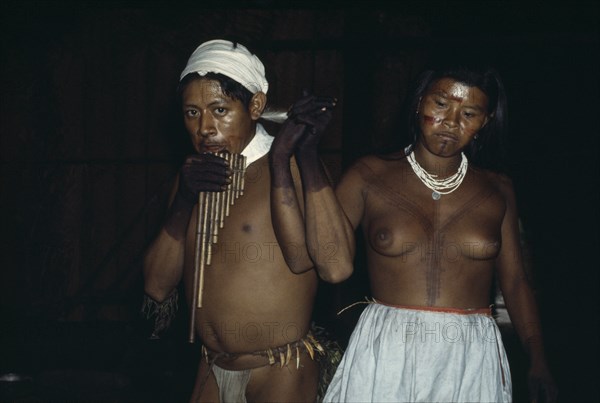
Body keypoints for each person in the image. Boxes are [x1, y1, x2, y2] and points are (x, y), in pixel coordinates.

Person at [276, 64, 558, 402]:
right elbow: (324, 260)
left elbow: (515, 282)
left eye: (469, 113)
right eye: (441, 105)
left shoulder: (498, 189)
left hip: (470, 354)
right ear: (419, 103)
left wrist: (538, 360)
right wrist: (304, 155)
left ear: (484, 122)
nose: (452, 122)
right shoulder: (369, 175)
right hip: (387, 349)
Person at [141, 39, 348, 402]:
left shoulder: (292, 166)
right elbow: (157, 286)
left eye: (219, 110)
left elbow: (333, 267)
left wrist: (287, 157)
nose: (205, 128)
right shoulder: (190, 178)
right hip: (211, 367)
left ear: (254, 106)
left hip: (280, 369)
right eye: (192, 113)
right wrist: (185, 201)